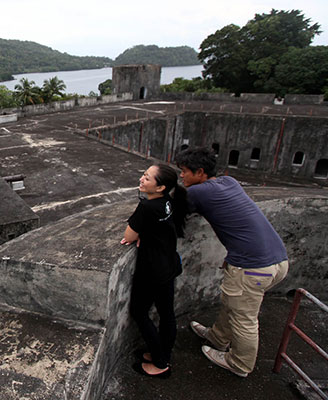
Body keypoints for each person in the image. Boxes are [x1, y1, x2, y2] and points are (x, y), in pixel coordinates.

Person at [174, 147, 289, 378]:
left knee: (244, 318)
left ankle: (239, 363)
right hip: (278, 261)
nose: (181, 176)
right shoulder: (229, 181)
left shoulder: (197, 192)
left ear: (200, 172)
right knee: (232, 303)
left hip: (252, 268)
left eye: (184, 171)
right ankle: (217, 337)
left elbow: (174, 209)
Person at [121, 164, 186, 379]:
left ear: (160, 187)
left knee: (139, 312)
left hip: (153, 270)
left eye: (147, 178)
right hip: (168, 264)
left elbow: (128, 236)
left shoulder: (147, 207)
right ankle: (163, 354)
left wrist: (139, 233)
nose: (142, 179)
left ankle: (160, 363)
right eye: (144, 175)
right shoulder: (167, 202)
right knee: (166, 313)